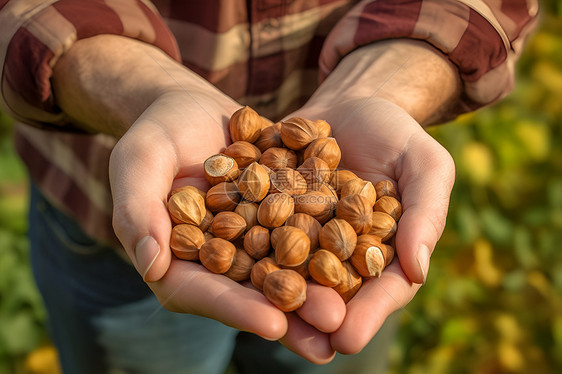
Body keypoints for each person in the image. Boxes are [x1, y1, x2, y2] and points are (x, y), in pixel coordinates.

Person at [0, 1, 538, 373]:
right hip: (105, 221)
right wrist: (139, 87)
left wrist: (387, 82)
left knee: (335, 339)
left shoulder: (303, 198)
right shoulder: (259, 195)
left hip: (316, 260)